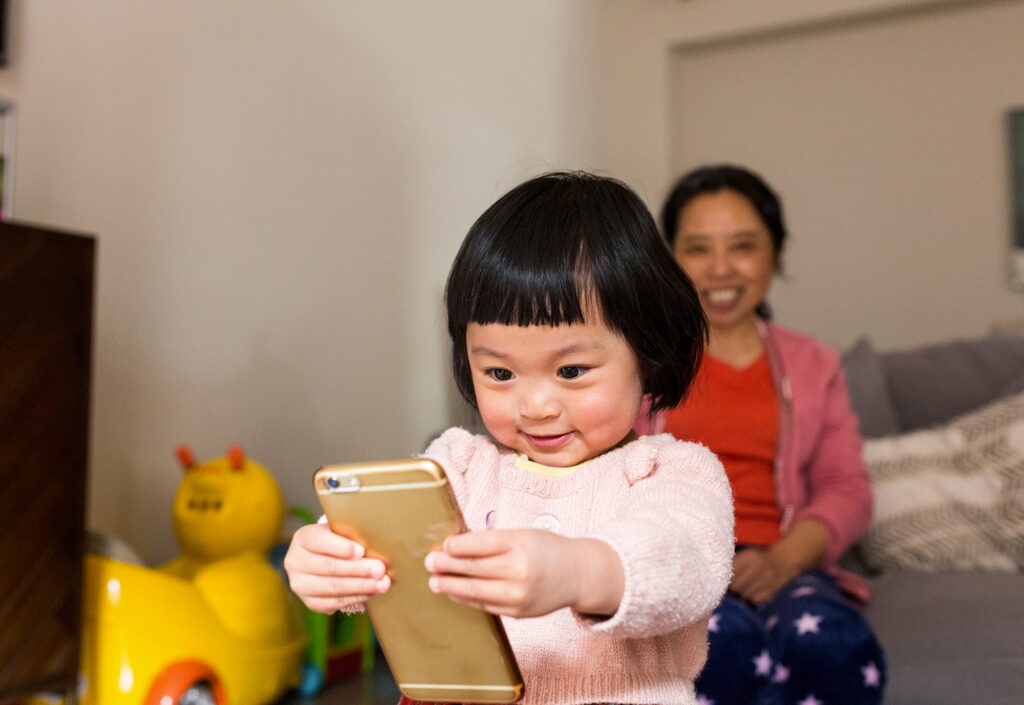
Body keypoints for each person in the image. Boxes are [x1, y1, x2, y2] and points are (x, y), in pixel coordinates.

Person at [284, 171, 735, 705]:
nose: (536, 407)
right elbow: (388, 545)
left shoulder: (672, 472)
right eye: (500, 374)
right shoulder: (462, 465)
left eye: (571, 371)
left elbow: (684, 565)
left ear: (649, 351)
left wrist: (577, 571)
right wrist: (329, 560)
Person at [638, 164, 886, 705]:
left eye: (743, 245)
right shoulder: (640, 364)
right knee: (718, 648)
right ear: (669, 260)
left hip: (782, 559)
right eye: (698, 248)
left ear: (775, 252)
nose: (720, 269)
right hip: (674, 564)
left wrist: (784, 560)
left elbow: (846, 486)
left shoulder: (813, 363)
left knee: (830, 649)